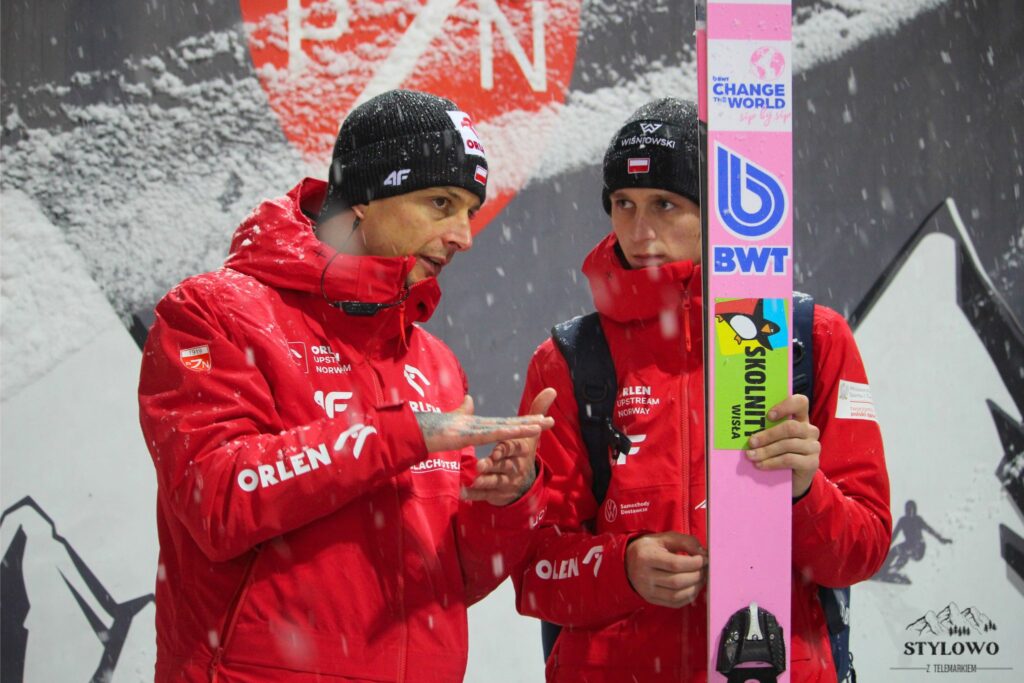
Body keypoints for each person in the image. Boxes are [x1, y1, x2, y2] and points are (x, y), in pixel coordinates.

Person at [138, 89, 555, 682]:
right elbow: (217, 500)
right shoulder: (211, 314)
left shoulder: (434, 362)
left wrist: (506, 503)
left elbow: (456, 579)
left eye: (470, 210)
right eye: (441, 203)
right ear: (365, 197)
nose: (464, 235)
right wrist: (398, 435)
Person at [511, 98, 891, 682]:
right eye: (623, 205)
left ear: (718, 211)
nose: (640, 232)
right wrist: (623, 567)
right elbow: (534, 572)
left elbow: (862, 550)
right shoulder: (568, 359)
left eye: (666, 204)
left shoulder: (812, 339)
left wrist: (805, 493)